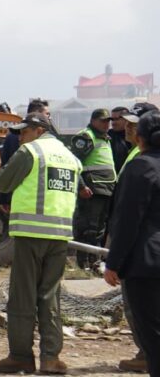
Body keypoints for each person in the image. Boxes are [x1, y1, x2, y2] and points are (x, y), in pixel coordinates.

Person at [0, 113, 81, 375]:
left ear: (39, 130)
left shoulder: (31, 152)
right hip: (60, 235)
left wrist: (1, 169)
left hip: (31, 234)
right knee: (50, 296)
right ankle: (51, 358)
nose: (20, 137)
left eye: (23, 131)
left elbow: (4, 181)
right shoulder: (68, 156)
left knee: (23, 296)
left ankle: (20, 356)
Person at [104, 110, 160, 377]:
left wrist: (113, 263)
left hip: (146, 264)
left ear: (139, 136)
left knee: (153, 338)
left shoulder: (140, 166)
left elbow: (128, 220)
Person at [70, 108, 116, 269]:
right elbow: (73, 163)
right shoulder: (86, 137)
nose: (107, 124)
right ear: (93, 120)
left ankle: (94, 262)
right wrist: (81, 186)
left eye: (108, 121)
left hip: (105, 189)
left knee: (99, 228)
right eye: (103, 121)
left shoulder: (105, 138)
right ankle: (85, 263)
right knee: (88, 227)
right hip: (92, 190)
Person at [0, 99, 51, 209]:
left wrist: (4, 198)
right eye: (47, 114)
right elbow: (6, 168)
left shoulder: (51, 145)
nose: (20, 138)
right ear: (37, 113)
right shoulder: (15, 140)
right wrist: (5, 199)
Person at [108, 106, 132, 173]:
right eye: (112, 119)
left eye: (116, 119)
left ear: (127, 119)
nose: (113, 123)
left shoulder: (136, 136)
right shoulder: (108, 136)